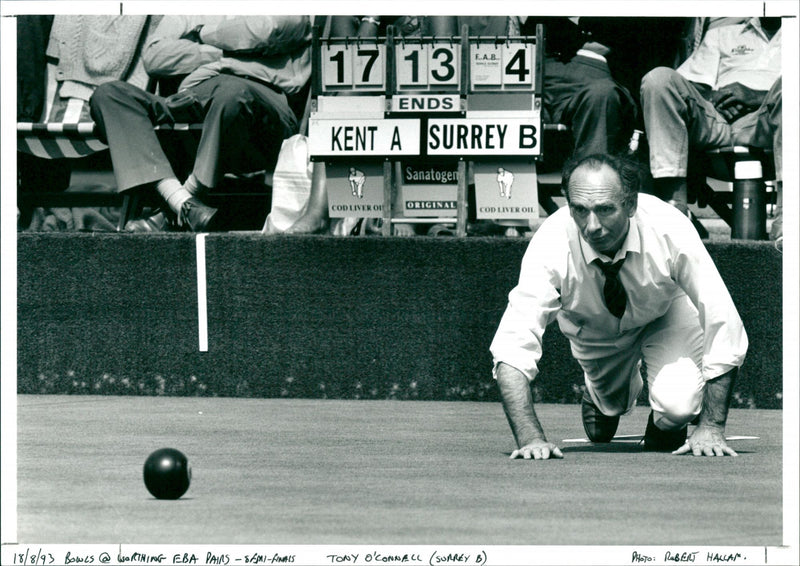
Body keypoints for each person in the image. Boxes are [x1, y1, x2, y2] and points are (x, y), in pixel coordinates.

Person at [490, 153, 748, 459]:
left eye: (604, 209)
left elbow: (723, 320)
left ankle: (664, 426)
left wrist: (711, 427)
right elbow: (511, 348)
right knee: (608, 412)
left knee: (678, 405)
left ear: (631, 205)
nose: (592, 226)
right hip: (596, 329)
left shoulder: (670, 227)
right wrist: (530, 438)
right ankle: (599, 396)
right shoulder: (550, 243)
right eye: (580, 210)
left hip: (666, 312)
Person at [89, 15, 312, 232]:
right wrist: (228, 52)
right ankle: (184, 203)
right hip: (191, 97)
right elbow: (156, 57)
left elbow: (268, 29)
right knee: (109, 94)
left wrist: (199, 33)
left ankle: (175, 205)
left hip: (263, 103)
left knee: (230, 91)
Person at [640, 16, 782, 236]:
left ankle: (788, 215)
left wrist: (755, 96)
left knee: (790, 88)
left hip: (770, 123)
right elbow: (689, 83)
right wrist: (716, 96)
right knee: (659, 79)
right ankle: (674, 207)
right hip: (718, 121)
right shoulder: (723, 34)